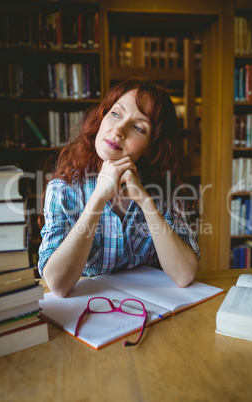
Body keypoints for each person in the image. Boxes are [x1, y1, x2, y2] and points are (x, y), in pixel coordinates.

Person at [38, 77, 200, 297]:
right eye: (115, 114)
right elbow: (57, 284)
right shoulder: (63, 190)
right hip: (90, 315)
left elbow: (184, 275)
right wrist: (98, 197)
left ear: (151, 147)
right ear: (101, 118)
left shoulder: (165, 189)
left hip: (150, 313)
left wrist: (144, 200)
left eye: (138, 128)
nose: (118, 130)